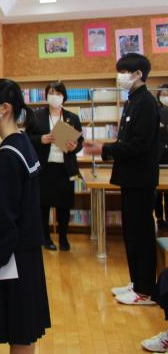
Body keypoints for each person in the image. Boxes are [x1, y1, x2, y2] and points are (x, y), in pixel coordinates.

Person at [0, 79, 50, 354]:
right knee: (23, 332)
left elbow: (4, 215)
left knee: (19, 330)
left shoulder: (7, 156)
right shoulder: (23, 144)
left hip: (13, 258)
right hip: (26, 252)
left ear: (4, 108)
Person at [85, 53, 161, 305]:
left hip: (141, 179)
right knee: (131, 233)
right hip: (130, 179)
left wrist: (104, 149)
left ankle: (145, 290)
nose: (120, 76)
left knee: (141, 235)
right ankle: (137, 282)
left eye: (124, 71)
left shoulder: (146, 103)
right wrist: (104, 147)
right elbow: (126, 141)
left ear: (138, 74)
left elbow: (138, 145)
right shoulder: (132, 101)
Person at [26, 81, 82, 251]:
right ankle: (46, 237)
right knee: (44, 205)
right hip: (45, 167)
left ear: (64, 96)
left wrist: (74, 147)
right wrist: (41, 139)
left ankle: (63, 237)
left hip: (65, 168)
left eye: (58, 93)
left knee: (64, 205)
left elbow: (80, 142)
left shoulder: (72, 117)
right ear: (46, 95)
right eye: (51, 93)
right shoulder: (36, 116)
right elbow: (27, 138)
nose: (54, 96)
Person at [154, 84, 168, 231]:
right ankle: (159, 218)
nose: (165, 97)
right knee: (157, 190)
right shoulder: (155, 110)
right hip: (157, 154)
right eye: (163, 94)